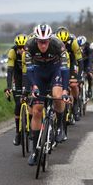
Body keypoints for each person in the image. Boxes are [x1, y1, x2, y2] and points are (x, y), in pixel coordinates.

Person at [25, 24, 70, 166]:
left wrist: (65, 90)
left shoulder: (58, 45)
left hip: (55, 71)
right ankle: (35, 151)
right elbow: (29, 70)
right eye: (40, 41)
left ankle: (60, 126)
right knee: (37, 109)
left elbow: (64, 69)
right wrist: (34, 86)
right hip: (38, 73)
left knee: (57, 96)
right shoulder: (29, 46)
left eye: (45, 42)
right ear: (36, 40)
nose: (43, 45)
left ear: (50, 40)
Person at [4, 34, 28, 146]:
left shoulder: (30, 52)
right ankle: (18, 133)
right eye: (19, 47)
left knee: (32, 103)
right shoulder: (12, 52)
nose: (21, 50)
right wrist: (8, 87)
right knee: (18, 104)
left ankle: (32, 127)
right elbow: (9, 71)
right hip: (18, 79)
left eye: (23, 47)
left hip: (28, 77)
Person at [56, 28, 83, 122]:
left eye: (65, 42)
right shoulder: (54, 42)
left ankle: (76, 102)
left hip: (72, 63)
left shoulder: (73, 42)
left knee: (73, 84)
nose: (63, 44)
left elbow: (80, 60)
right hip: (59, 64)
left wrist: (79, 76)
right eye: (61, 42)